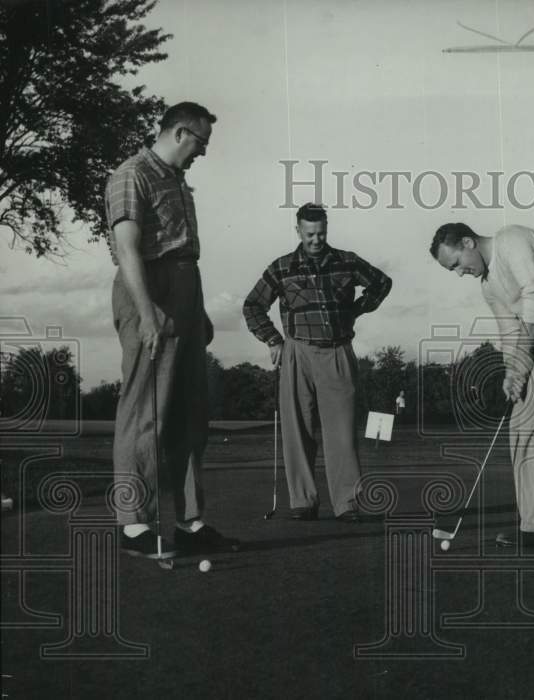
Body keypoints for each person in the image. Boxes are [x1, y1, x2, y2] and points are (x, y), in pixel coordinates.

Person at [105, 102, 239, 558]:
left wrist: (196, 310)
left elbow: (182, 251)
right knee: (145, 411)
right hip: (149, 289)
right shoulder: (131, 174)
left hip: (185, 291)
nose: (203, 151)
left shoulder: (178, 180)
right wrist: (146, 312)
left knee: (189, 414)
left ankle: (188, 521)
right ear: (180, 132)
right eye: (201, 142)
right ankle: (132, 524)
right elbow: (127, 249)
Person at [431, 223, 534, 547]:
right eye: (453, 270)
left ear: (468, 242)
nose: (460, 273)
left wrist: (521, 362)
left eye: (457, 263)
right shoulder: (488, 286)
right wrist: (511, 373)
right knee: (520, 425)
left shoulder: (511, 240)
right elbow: (509, 331)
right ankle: (532, 524)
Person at [243, 203, 391, 521]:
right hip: (296, 352)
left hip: (337, 351)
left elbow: (382, 283)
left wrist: (355, 310)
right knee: (298, 429)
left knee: (342, 433)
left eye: (321, 233)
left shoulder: (347, 261)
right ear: (298, 230)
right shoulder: (281, 267)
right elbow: (252, 305)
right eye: (309, 234)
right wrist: (272, 339)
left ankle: (347, 503)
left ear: (327, 229)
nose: (316, 240)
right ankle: (303, 501)